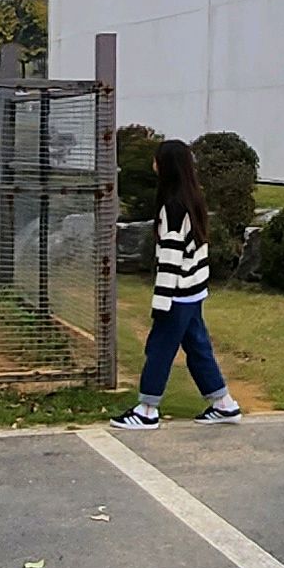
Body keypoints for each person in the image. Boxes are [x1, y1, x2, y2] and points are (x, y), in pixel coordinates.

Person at [109, 139, 242, 430]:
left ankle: (147, 409)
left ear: (166, 166)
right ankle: (223, 403)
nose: (153, 164)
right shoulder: (192, 199)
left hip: (178, 294)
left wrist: (161, 301)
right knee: (197, 347)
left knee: (159, 349)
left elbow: (171, 256)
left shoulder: (172, 207)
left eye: (157, 159)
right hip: (193, 291)